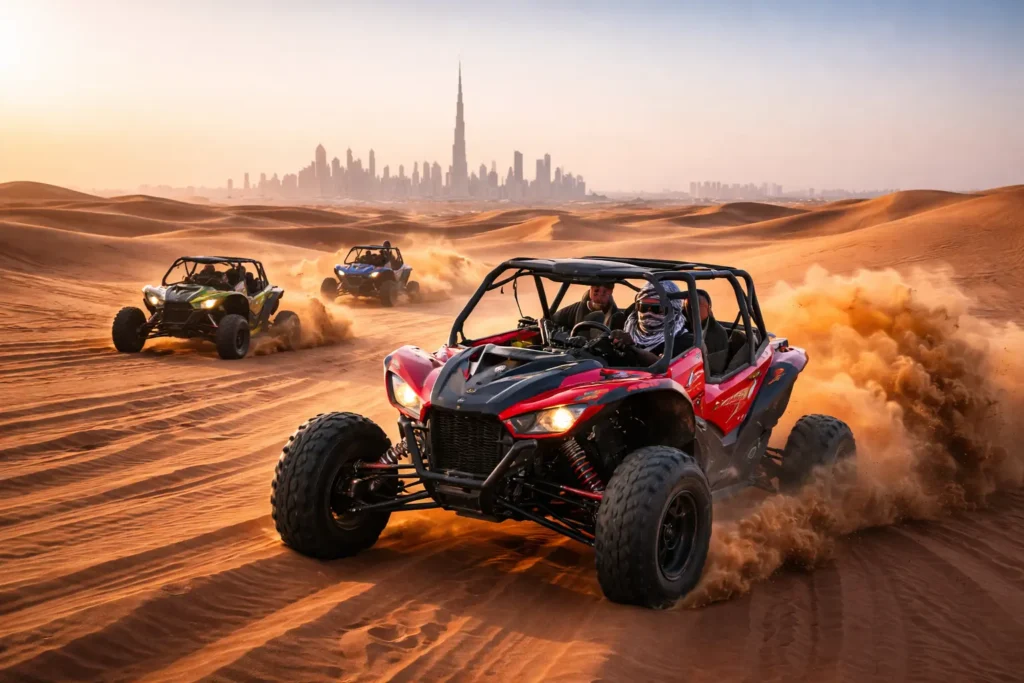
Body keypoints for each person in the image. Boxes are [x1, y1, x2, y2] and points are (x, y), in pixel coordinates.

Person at [610, 281, 691, 365]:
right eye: (643, 307)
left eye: (656, 308)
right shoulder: (621, 325)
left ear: (673, 310)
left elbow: (666, 369)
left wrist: (632, 348)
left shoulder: (685, 343)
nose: (648, 314)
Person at [551, 282, 624, 332]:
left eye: (604, 292)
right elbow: (552, 321)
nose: (599, 296)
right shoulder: (572, 311)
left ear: (610, 292)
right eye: (596, 291)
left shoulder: (617, 317)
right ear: (591, 290)